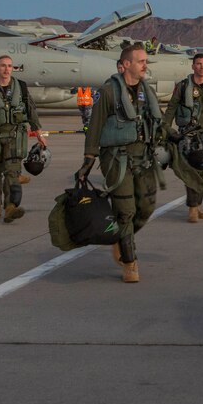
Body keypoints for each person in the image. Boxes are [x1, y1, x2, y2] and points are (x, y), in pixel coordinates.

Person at [78, 44, 163, 283]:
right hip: (117, 158)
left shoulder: (147, 91)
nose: (145, 65)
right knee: (125, 211)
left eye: (145, 61)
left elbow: (158, 121)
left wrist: (173, 137)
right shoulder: (108, 92)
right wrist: (87, 161)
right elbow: (94, 127)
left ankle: (119, 238)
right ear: (125, 65)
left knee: (146, 207)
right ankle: (130, 262)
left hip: (143, 156)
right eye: (140, 61)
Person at [0, 55, 48, 222]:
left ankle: (11, 207)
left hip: (15, 136)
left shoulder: (22, 87)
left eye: (10, 66)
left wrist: (39, 134)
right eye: (3, 66)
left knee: (13, 173)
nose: (6, 69)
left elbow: (31, 111)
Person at [161, 53, 203, 223]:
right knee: (190, 169)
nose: (201, 67)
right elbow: (171, 108)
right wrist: (165, 130)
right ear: (193, 66)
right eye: (198, 64)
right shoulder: (183, 86)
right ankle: (193, 207)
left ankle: (198, 205)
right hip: (188, 135)